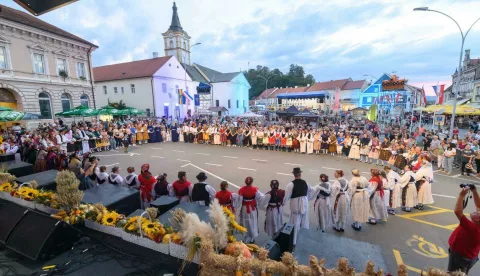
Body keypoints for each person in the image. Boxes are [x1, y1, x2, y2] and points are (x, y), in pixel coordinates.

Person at [448, 186, 480, 274]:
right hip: (470, 257)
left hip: (460, 257)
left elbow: (458, 211)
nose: (476, 210)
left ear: (477, 220)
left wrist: (461, 195)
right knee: (463, 273)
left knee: (453, 274)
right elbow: (478, 205)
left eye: (477, 213)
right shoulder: (477, 225)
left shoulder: (473, 228)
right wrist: (474, 191)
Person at [284, 168, 314, 246]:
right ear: (300, 174)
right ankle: (304, 239)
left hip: (296, 204)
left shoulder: (291, 184)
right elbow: (311, 190)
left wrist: (282, 203)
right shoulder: (305, 182)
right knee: (304, 221)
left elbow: (286, 196)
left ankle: (294, 241)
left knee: (295, 222)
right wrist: (306, 196)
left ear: (294, 175)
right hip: (304, 203)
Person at [238, 176, 264, 243]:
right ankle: (252, 238)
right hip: (252, 209)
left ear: (245, 182)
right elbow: (260, 198)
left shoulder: (241, 190)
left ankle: (245, 238)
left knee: (245, 222)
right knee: (252, 222)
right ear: (252, 182)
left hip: (245, 209)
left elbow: (239, 201)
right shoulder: (255, 189)